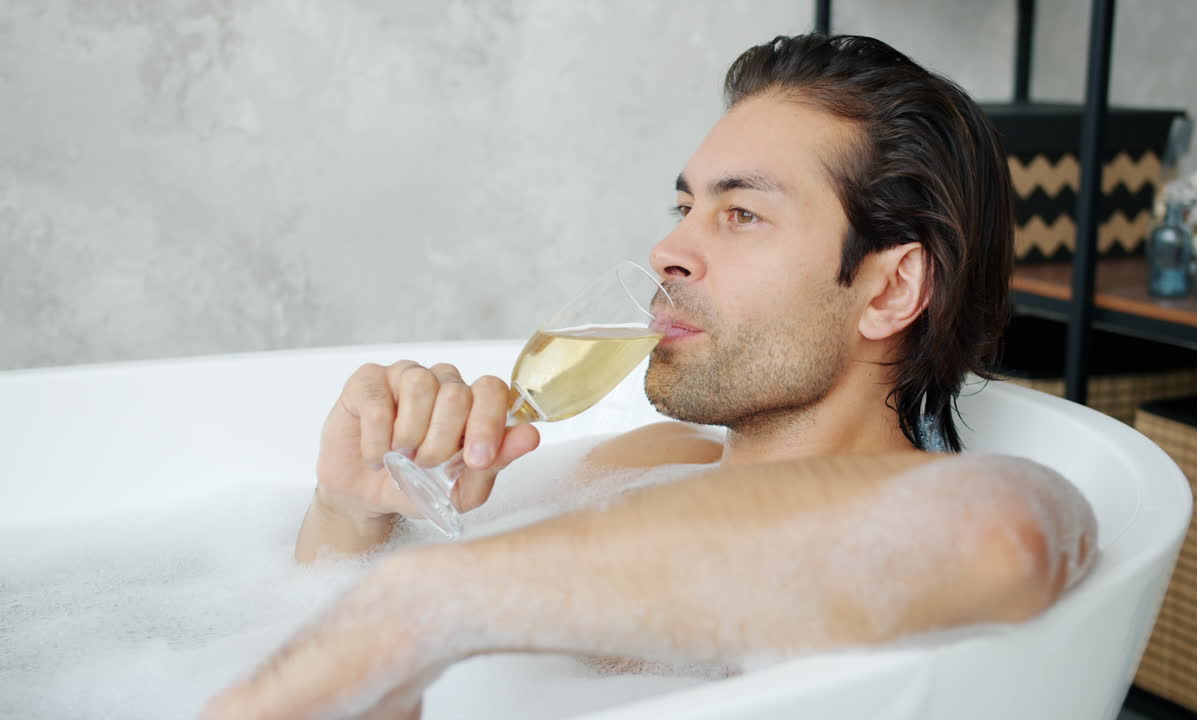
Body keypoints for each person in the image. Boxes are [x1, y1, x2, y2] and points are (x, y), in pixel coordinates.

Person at [205, 34, 1097, 719]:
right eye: (684, 207)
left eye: (741, 213)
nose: (669, 250)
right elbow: (298, 621)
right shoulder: (631, 465)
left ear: (890, 287)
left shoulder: (959, 502)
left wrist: (424, 604)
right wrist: (352, 510)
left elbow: (1003, 539)